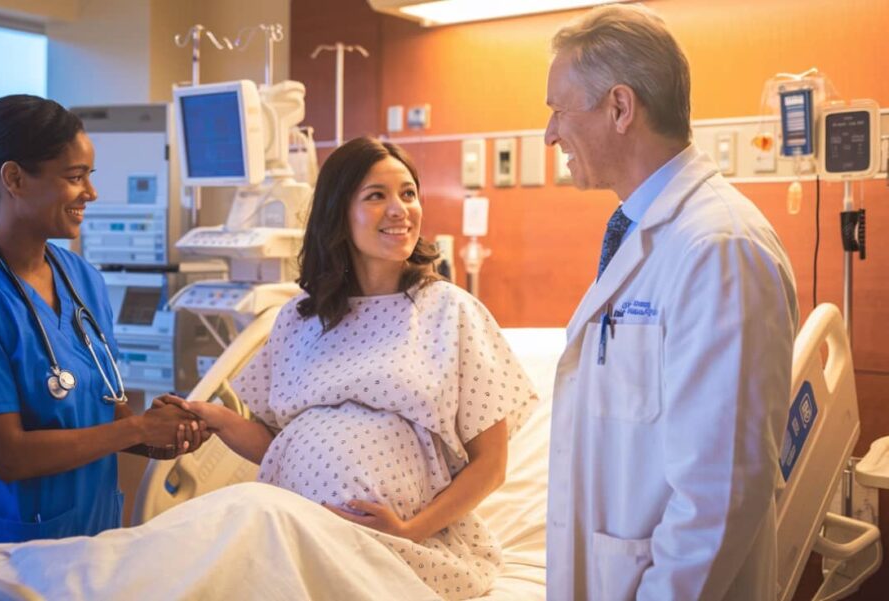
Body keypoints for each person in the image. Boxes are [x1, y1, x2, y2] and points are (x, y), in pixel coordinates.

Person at [164, 136, 539, 599]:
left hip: (398, 544)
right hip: (290, 529)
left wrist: (410, 530)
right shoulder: (300, 317)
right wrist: (219, 418)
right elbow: (275, 447)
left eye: (408, 193)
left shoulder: (450, 312)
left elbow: (492, 464)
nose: (401, 209)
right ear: (338, 212)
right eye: (376, 196)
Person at [542, 5, 799, 600]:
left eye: (558, 110)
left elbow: (721, 493)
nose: (550, 134)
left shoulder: (718, 248)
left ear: (621, 108)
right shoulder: (645, 229)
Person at [0, 95, 205, 561]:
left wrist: (161, 437)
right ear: (14, 178)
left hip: (87, 547)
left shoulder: (83, 281)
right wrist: (137, 429)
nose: (90, 193)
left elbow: (107, 419)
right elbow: (9, 456)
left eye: (89, 176)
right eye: (75, 177)